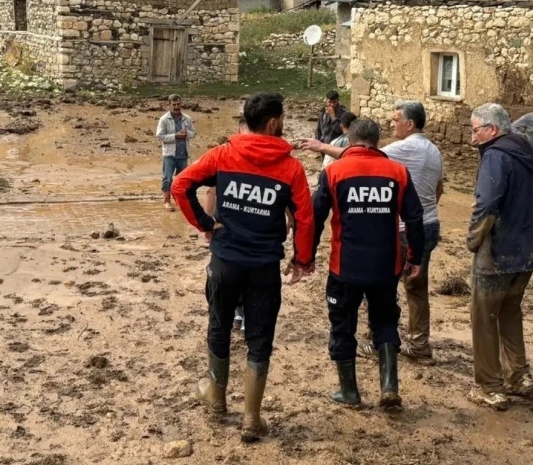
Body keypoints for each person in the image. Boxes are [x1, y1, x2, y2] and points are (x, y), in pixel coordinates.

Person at [172, 92, 314, 443]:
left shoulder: (222, 155)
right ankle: (252, 417)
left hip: (225, 262)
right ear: (272, 123)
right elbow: (305, 218)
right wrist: (302, 260)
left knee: (219, 326)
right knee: (260, 337)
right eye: (282, 119)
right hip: (264, 265)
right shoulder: (291, 168)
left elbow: (180, 185)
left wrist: (205, 223)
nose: (283, 124)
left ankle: (217, 399)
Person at [303, 101, 444, 364]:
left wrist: (322, 146)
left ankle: (379, 341)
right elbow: (439, 189)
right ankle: (419, 343)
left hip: (403, 229)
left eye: (396, 119)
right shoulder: (433, 150)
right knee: (416, 287)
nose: (392, 124)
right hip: (429, 222)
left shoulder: (400, 150)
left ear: (410, 124)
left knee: (382, 285)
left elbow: (361, 156)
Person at [312, 119, 426, 409]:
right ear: (378, 141)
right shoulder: (398, 172)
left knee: (342, 326)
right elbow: (414, 218)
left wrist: (306, 256)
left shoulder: (334, 171)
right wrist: (414, 257)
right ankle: (389, 387)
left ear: (349, 140)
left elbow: (314, 219)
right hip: (386, 266)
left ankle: (349, 391)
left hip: (345, 267)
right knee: (386, 321)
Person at [467, 103, 533, 411]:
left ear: (491, 129)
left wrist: (474, 239)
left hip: (499, 250)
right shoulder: (529, 153)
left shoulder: (496, 156)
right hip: (529, 249)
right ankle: (518, 376)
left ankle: (490, 386)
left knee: (485, 317)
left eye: (475, 129)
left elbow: (487, 203)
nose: (472, 136)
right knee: (509, 312)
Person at [202, 117, 295, 333]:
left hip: (237, 235)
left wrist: (207, 223)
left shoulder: (227, 156)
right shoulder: (273, 158)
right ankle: (242, 317)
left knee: (231, 271)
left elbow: (211, 191)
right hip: (250, 234)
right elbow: (286, 193)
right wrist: (207, 222)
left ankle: (239, 315)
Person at [156, 94, 196, 212]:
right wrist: (175, 136)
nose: (176, 107)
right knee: (167, 178)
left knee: (181, 179)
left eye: (178, 104)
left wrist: (186, 134)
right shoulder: (164, 119)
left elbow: (193, 133)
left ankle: (179, 200)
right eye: (174, 105)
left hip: (183, 153)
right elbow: (159, 136)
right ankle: (167, 202)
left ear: (181, 104)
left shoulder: (187, 118)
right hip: (169, 154)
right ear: (169, 105)